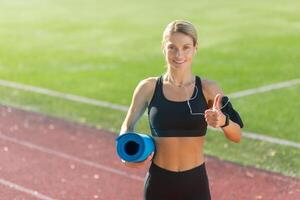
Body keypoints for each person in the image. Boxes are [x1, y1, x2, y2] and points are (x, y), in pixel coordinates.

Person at [119, 20, 244, 200]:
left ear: (195, 48)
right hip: (158, 183)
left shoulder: (209, 89)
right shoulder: (148, 87)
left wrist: (223, 121)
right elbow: (127, 126)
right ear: (163, 47)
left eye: (186, 47)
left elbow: (237, 135)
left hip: (195, 184)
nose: (179, 54)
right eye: (172, 47)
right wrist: (127, 155)